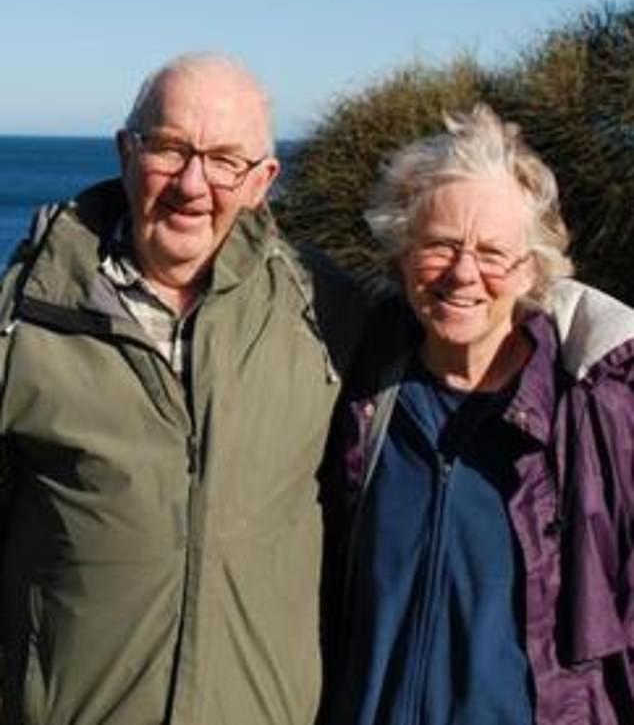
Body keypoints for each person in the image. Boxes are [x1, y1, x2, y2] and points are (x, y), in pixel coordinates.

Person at [0, 53, 364, 724]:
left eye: (226, 159)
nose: (193, 184)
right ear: (125, 150)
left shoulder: (328, 313)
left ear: (262, 181)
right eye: (169, 148)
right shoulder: (24, 313)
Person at [328, 104, 634, 724]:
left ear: (533, 270)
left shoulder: (593, 416)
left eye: (494, 253)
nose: (464, 273)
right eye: (440, 245)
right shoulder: (359, 394)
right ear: (403, 253)